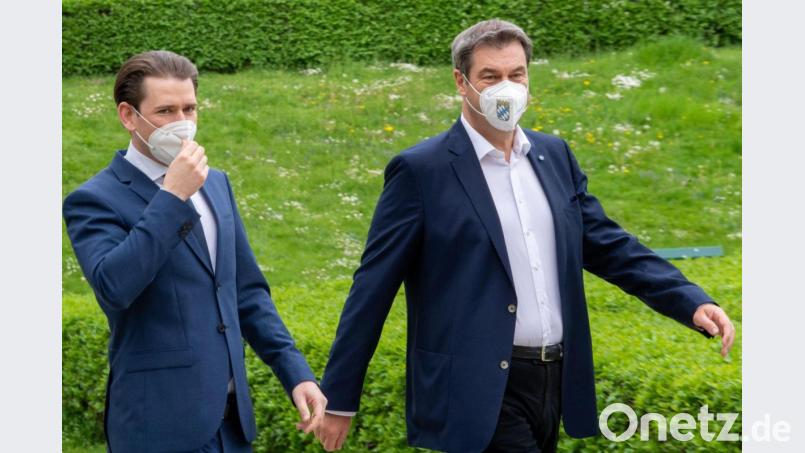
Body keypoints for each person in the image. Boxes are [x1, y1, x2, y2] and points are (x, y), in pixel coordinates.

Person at [314, 19, 735, 453]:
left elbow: (609, 245)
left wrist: (689, 300)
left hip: (554, 379)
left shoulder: (554, 155)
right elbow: (372, 286)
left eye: (516, 75)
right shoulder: (421, 171)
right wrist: (339, 398)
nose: (507, 88)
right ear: (461, 82)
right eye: (490, 76)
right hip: (477, 389)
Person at [63, 50, 327, 453]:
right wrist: (172, 196)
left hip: (231, 425)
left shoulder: (216, 183)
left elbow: (246, 292)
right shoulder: (95, 199)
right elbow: (114, 287)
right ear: (128, 116)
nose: (181, 122)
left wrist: (296, 372)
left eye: (189, 108)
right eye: (165, 111)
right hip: (157, 426)